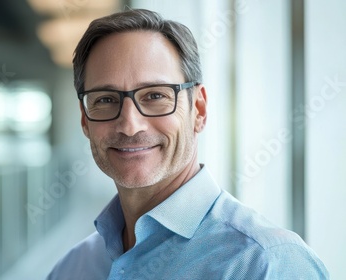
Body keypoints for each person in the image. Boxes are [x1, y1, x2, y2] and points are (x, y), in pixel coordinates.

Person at [47, 9, 329, 280]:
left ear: (199, 109)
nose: (130, 125)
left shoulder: (268, 264)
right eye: (106, 100)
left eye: (155, 96)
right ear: (85, 120)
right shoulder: (72, 268)